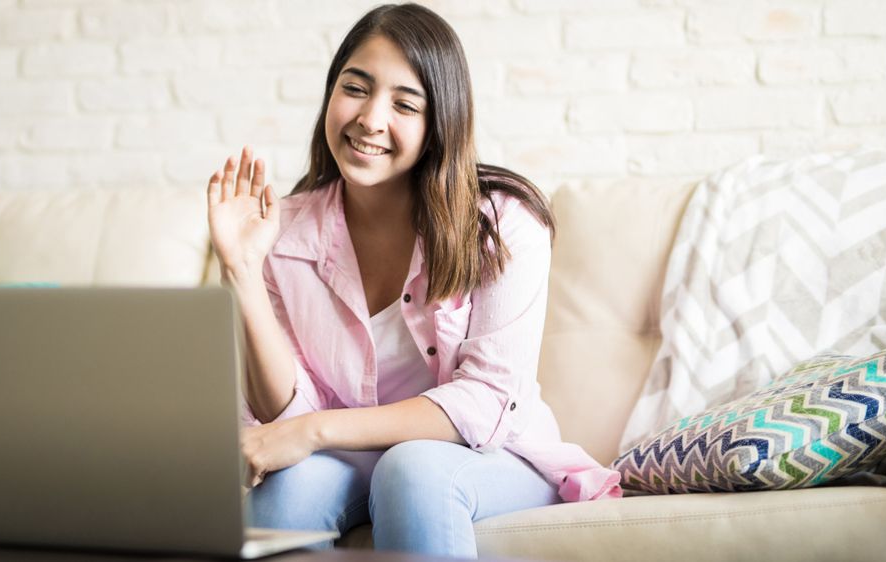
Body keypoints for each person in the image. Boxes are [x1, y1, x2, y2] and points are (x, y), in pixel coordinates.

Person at [205, 3, 621, 558]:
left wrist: (317, 432)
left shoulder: (502, 224)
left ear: (438, 124)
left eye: (404, 104)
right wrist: (242, 271)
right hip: (352, 461)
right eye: (356, 88)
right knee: (290, 488)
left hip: (489, 456)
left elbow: (485, 398)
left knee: (413, 467)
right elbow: (285, 417)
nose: (371, 119)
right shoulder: (283, 229)